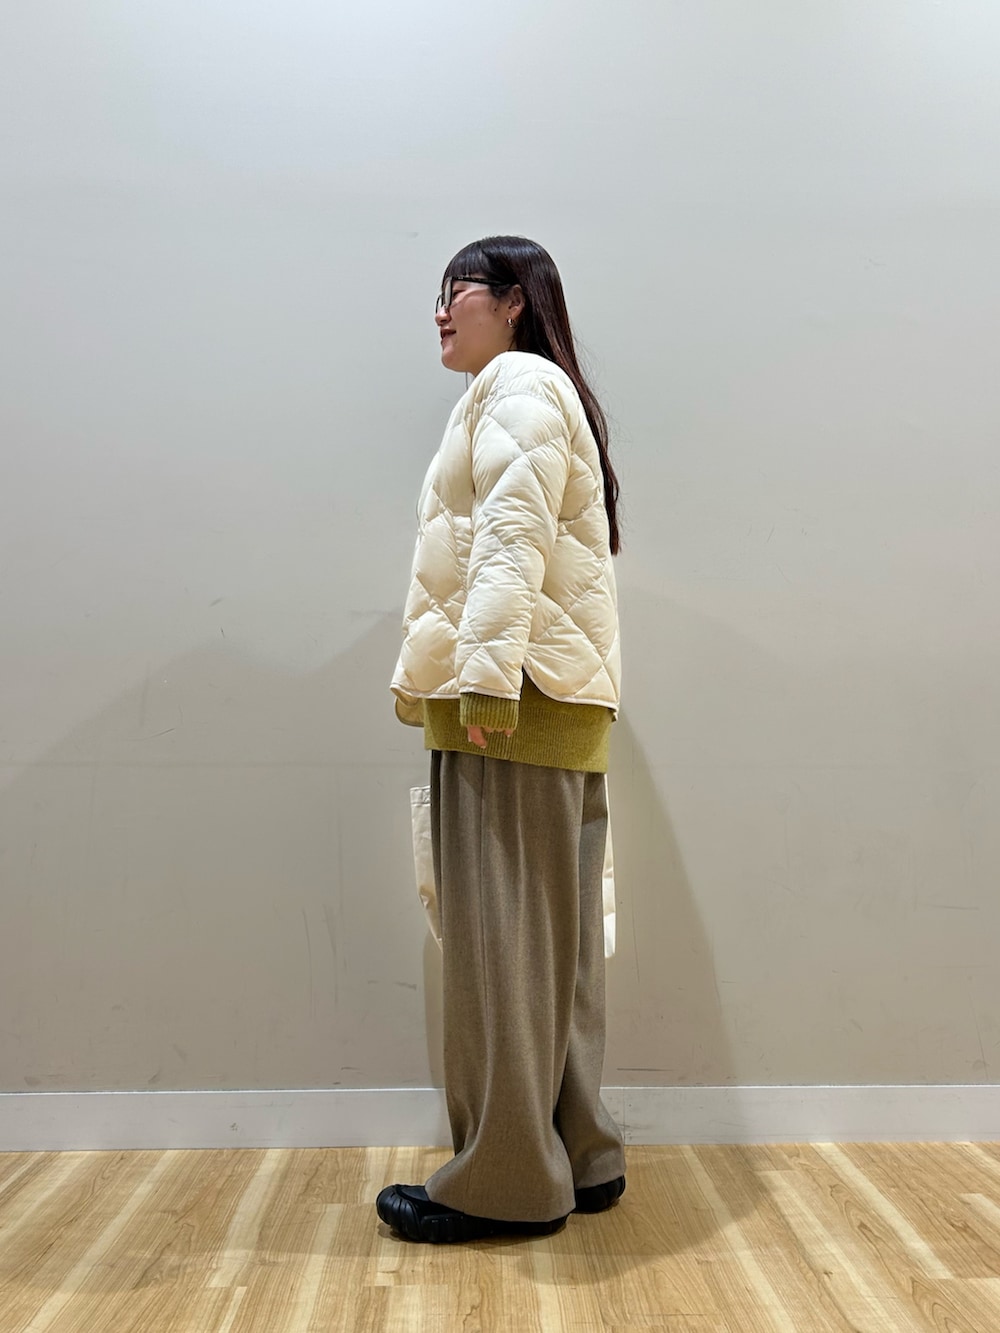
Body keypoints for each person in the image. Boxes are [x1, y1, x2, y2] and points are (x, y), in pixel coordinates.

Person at [380, 235, 625, 1243]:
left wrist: (483, 680)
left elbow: (509, 539)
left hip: (508, 699)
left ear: (515, 301)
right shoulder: (538, 387)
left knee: (500, 951)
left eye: (460, 291)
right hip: (553, 700)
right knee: (554, 949)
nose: (441, 311)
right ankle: (580, 1152)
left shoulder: (515, 385)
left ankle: (508, 1182)